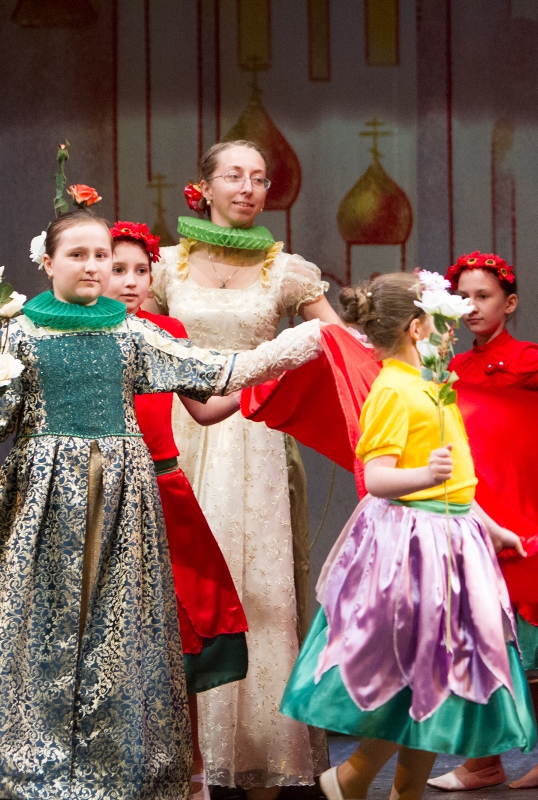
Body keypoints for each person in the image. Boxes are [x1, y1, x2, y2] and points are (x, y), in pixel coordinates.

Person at [0, 210, 325, 800]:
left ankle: (120, 770)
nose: (94, 266)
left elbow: (219, 371)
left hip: (123, 504)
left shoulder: (133, 334)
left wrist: (297, 344)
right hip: (46, 503)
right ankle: (35, 769)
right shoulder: (18, 335)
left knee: (122, 632)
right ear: (47, 263)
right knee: (41, 628)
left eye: (101, 255)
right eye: (78, 255)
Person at [279, 271, 536, 800]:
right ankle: (349, 780)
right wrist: (424, 475)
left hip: (454, 538)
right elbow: (377, 477)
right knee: (417, 676)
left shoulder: (432, 385)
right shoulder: (393, 390)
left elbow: (458, 480)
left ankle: (398, 791)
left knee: (439, 681)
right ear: (417, 328)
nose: (451, 332)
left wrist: (490, 526)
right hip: (415, 545)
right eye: (441, 322)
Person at [143, 140, 341, 796]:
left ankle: (264, 757)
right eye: (234, 175)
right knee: (185, 592)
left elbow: (338, 343)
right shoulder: (165, 267)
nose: (248, 187)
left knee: (261, 591)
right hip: (180, 434)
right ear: (204, 186)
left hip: (256, 444)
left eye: (259, 178)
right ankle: (188, 761)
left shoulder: (287, 272)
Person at [106, 221, 254, 800]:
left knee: (181, 630)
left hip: (164, 489)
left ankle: (191, 772)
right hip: (105, 497)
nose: (130, 281)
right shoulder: (75, 337)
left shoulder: (166, 332)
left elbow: (204, 407)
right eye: (117, 268)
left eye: (141, 270)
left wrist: (263, 383)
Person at [428, 251, 538, 791]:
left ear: (509, 303)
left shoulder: (520, 356)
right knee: (480, 635)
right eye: (463, 298)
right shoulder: (453, 366)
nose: (471, 307)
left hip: (513, 514)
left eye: (484, 296)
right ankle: (533, 751)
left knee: (505, 637)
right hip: (472, 510)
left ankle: (499, 758)